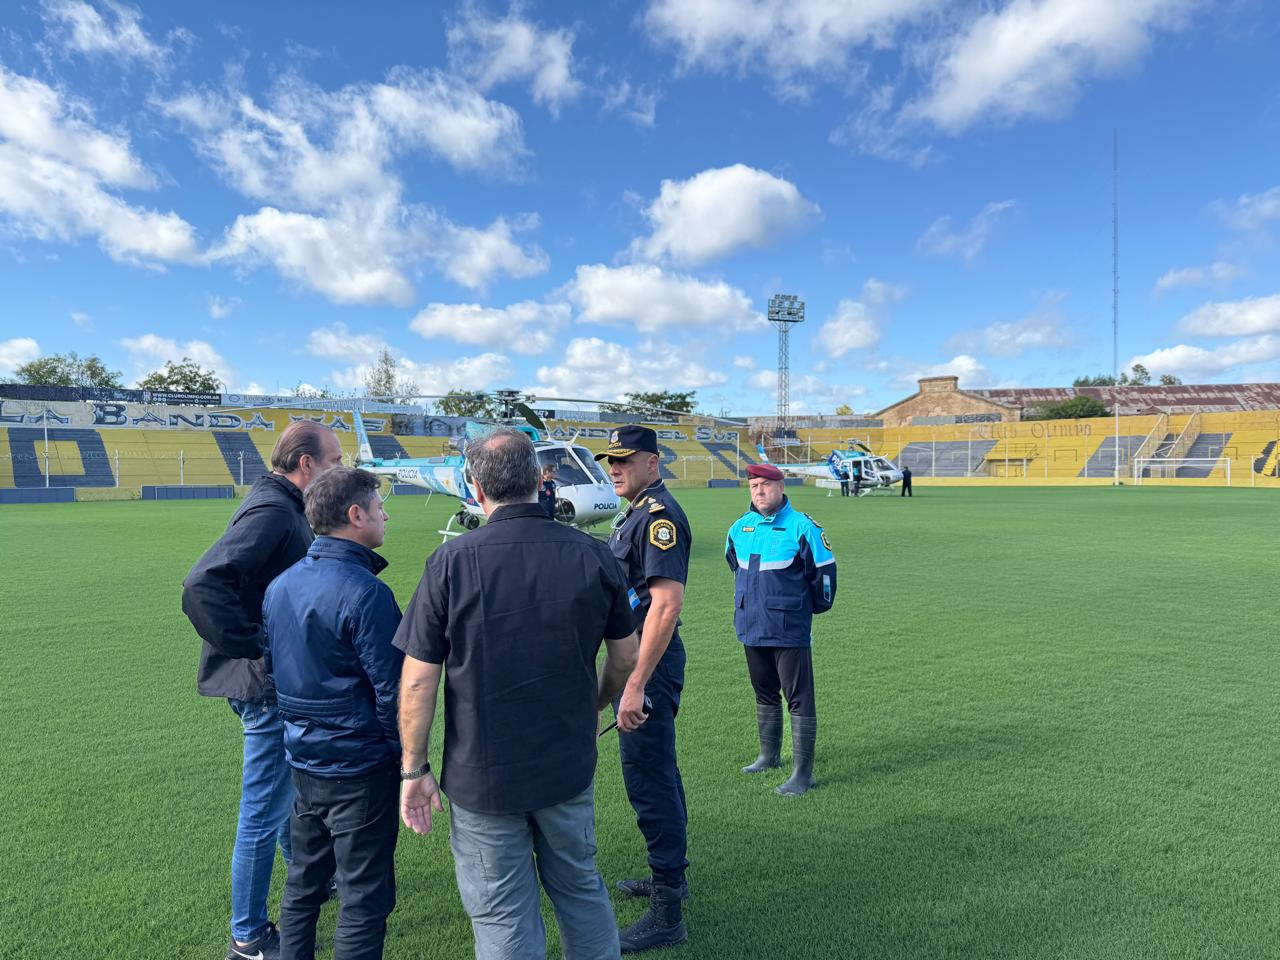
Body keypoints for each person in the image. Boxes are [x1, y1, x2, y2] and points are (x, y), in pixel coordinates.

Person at [395, 428, 640, 960]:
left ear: (475, 487)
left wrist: (413, 770)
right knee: (580, 889)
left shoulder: (450, 562)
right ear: (538, 480)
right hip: (565, 761)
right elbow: (625, 656)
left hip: (483, 773)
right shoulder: (594, 555)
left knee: (503, 914)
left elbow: (418, 678)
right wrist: (595, 702)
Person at [182, 421, 344, 960]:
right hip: (264, 686)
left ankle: (312, 880)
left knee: (283, 799)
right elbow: (203, 583)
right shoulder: (275, 510)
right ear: (305, 463)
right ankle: (248, 937)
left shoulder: (281, 504)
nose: (340, 469)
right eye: (334, 460)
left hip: (269, 680)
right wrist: (253, 646)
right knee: (262, 809)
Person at [263, 467, 403, 960]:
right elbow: (393, 692)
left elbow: (275, 672)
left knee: (304, 884)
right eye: (379, 506)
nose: (386, 515)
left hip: (305, 761)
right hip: (359, 767)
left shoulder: (280, 586)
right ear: (355, 514)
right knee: (364, 897)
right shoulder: (367, 592)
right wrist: (404, 761)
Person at [595, 425, 692, 953]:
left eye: (625, 460)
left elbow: (666, 604)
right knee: (660, 772)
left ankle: (668, 914)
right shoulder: (635, 512)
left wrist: (635, 683)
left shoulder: (659, 517)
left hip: (647, 665)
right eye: (611, 459)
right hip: (640, 660)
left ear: (653, 463)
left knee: (648, 779)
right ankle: (670, 881)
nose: (614, 467)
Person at [725, 463, 837, 797]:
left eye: (765, 485)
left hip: (789, 628)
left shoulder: (802, 527)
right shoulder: (739, 528)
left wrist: (807, 610)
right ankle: (768, 756)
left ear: (781, 486)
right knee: (764, 693)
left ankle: (803, 774)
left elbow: (825, 576)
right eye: (753, 485)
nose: (759, 491)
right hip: (750, 625)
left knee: (798, 699)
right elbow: (734, 565)